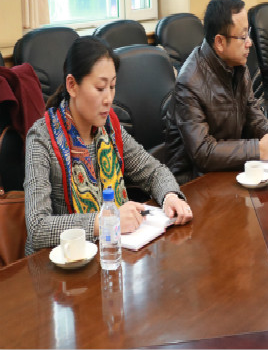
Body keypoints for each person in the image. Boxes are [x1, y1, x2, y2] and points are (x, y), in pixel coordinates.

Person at [24, 36, 192, 255]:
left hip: (110, 252)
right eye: (100, 87)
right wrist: (107, 220)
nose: (109, 98)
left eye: (112, 87)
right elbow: (38, 227)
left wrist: (170, 196)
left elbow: (153, 171)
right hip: (61, 263)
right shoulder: (41, 138)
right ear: (72, 85)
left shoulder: (109, 127)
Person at [165, 0, 268, 183]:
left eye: (249, 33)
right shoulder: (189, 82)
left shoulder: (238, 66)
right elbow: (202, 152)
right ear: (220, 42)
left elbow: (252, 114)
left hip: (229, 169)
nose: (249, 42)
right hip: (194, 181)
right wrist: (257, 149)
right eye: (243, 36)